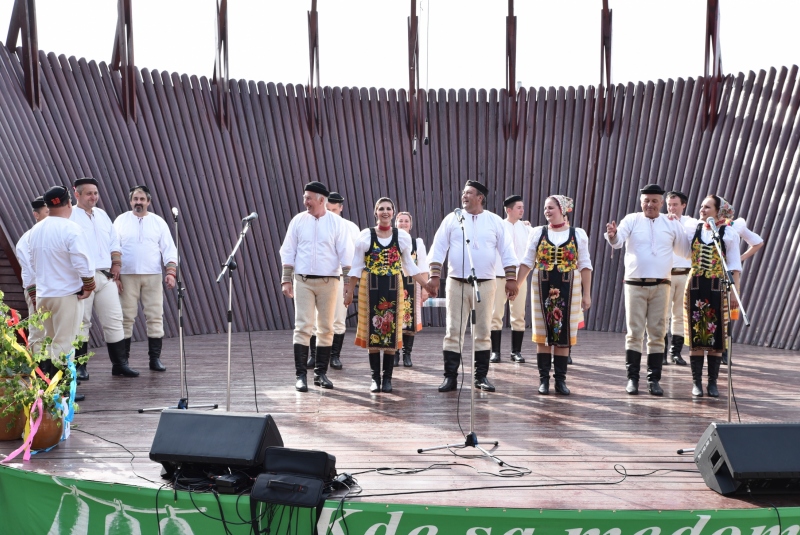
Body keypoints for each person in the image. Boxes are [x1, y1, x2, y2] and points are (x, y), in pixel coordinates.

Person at [426, 180, 519, 393]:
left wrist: (511, 279)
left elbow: (507, 251)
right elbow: (438, 247)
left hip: (486, 285)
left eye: (469, 193)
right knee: (453, 330)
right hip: (456, 283)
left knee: (483, 330)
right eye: (463, 193)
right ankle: (450, 378)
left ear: (480, 197)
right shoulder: (452, 219)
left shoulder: (495, 221)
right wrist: (433, 277)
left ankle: (481, 377)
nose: (464, 196)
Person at [604, 184, 689, 396]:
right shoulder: (631, 219)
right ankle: (632, 379)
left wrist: (682, 228)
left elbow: (685, 251)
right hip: (635, 284)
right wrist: (613, 235)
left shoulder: (671, 223)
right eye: (646, 201)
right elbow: (617, 241)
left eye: (654, 201)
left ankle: (654, 380)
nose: (649, 204)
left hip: (661, 285)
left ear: (662, 203)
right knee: (634, 333)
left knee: (658, 333)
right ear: (641, 202)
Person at [344, 199, 428, 393]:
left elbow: (409, 266)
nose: (385, 212)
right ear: (375, 212)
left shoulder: (401, 237)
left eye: (388, 209)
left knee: (390, 333)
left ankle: (388, 379)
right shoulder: (366, 235)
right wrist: (349, 292)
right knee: (373, 333)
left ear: (393, 212)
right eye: (381, 209)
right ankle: (375, 378)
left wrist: (426, 285)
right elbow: (356, 267)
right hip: (369, 287)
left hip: (393, 287)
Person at [280, 182, 354, 392]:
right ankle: (300, 376)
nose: (305, 202)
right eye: (304, 198)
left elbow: (346, 255)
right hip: (302, 281)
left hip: (329, 282)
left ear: (321, 200)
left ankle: (320, 374)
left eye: (309, 198)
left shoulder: (337, 223)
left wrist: (348, 285)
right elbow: (287, 250)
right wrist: (286, 279)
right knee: (302, 326)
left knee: (326, 328)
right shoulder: (298, 221)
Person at [515, 195, 592, 395]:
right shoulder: (537, 233)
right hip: (542, 284)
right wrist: (516, 285)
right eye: (545, 208)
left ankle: (560, 380)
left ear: (562, 210)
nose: (547, 211)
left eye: (550, 208)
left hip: (570, 285)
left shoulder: (578, 234)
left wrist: (587, 294)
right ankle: (543, 380)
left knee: (563, 333)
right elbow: (527, 261)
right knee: (542, 334)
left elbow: (585, 265)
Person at [28, 186, 95, 401]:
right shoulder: (71, 229)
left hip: (43, 294)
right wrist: (89, 285)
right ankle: (62, 390)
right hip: (66, 294)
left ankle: (48, 386)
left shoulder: (35, 230)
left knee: (48, 341)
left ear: (47, 206)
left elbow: (31, 264)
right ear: (68, 203)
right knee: (65, 343)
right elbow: (81, 261)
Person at [69, 178, 136, 378]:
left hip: (105, 276)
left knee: (115, 319)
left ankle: (120, 364)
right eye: (89, 193)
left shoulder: (102, 215)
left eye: (95, 193)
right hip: (82, 277)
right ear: (77, 194)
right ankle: (80, 367)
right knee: (82, 322)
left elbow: (114, 240)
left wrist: (116, 264)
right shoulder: (70, 215)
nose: (93, 197)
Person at [113, 185, 178, 372]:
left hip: (153, 276)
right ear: (130, 201)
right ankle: (122, 362)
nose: (138, 203)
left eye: (142, 199)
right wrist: (114, 275)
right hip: (127, 275)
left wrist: (171, 273)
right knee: (126, 318)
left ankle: (154, 360)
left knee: (155, 316)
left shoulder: (159, 222)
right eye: (135, 199)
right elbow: (113, 246)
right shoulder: (120, 221)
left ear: (148, 202)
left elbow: (169, 248)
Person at [684, 195, 741, 397]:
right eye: (701, 206)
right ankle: (697, 382)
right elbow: (682, 251)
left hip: (718, 286)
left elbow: (734, 266)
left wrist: (735, 292)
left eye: (707, 207)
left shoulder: (728, 233)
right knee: (697, 332)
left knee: (717, 336)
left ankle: (713, 383)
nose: (702, 210)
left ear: (718, 210)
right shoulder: (693, 229)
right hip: (696, 286)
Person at [306, 191, 361, 371]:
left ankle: (334, 356)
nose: (330, 212)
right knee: (316, 318)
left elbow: (357, 255)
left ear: (341, 208)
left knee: (338, 318)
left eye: (334, 210)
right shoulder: (315, 223)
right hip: (320, 277)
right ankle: (314, 356)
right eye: (328, 209)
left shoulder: (351, 227)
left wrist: (352, 281)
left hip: (340, 277)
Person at [490, 195, 533, 364]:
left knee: (518, 314)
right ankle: (495, 352)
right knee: (496, 314)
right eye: (519, 208)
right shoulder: (498, 226)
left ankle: (516, 351)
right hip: (499, 275)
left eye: (522, 207)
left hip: (519, 276)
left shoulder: (528, 229)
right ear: (509, 210)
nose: (522, 210)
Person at [395, 211, 429, 367]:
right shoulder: (390, 240)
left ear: (410, 225)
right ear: (396, 223)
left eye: (406, 221)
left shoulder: (417, 243)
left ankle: (407, 354)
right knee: (393, 319)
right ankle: (394, 353)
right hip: (392, 286)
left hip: (412, 286)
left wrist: (425, 288)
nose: (403, 223)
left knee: (410, 320)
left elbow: (423, 267)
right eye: (400, 220)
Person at [15, 196, 49, 354]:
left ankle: (59, 368)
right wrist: (35, 295)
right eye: (48, 211)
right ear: (36, 215)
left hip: (59, 290)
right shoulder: (26, 239)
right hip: (38, 289)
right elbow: (29, 271)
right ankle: (40, 370)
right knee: (38, 330)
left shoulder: (59, 233)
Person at [664, 191, 691, 366]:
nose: (672, 208)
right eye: (669, 204)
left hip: (685, 274)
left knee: (680, 315)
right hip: (665, 274)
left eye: (675, 204)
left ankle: (676, 352)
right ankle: (661, 353)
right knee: (662, 315)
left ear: (683, 205)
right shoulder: (660, 222)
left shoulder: (692, 223)